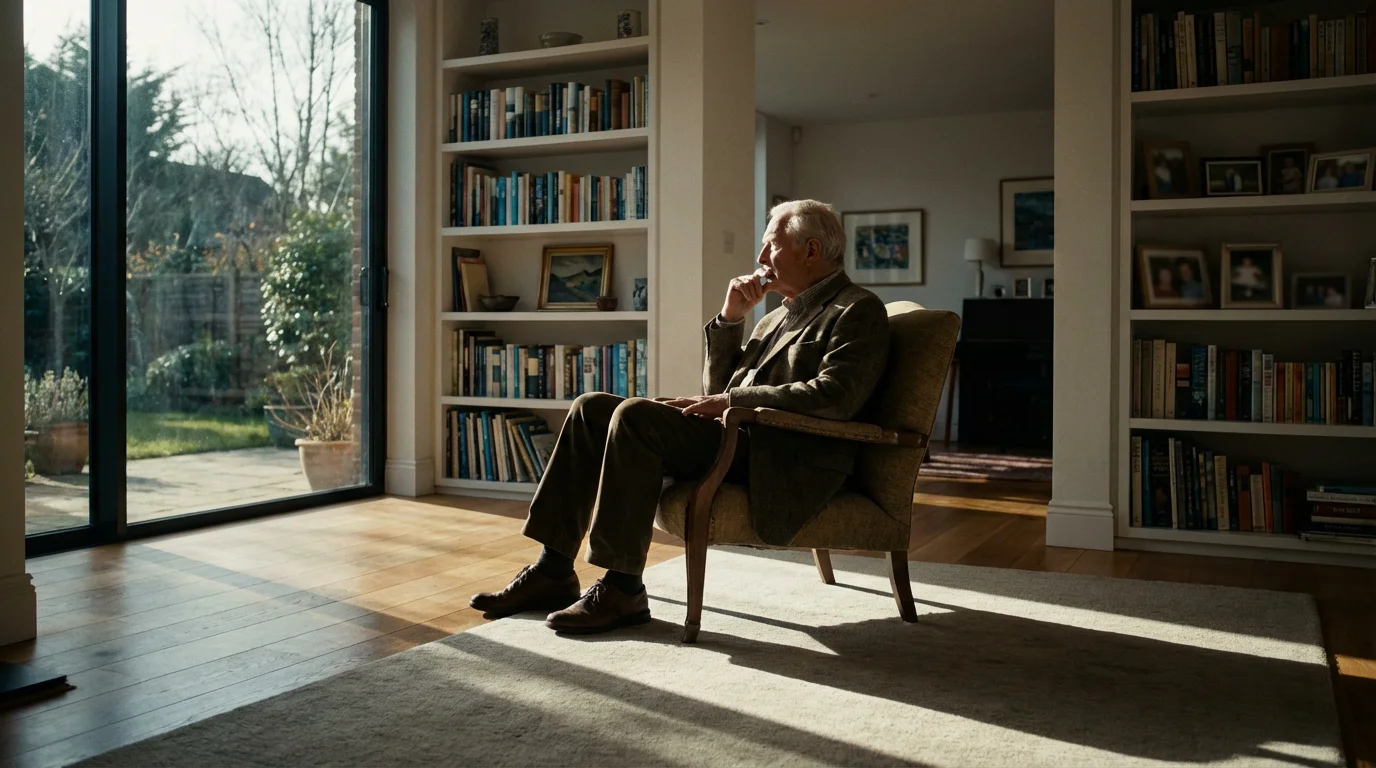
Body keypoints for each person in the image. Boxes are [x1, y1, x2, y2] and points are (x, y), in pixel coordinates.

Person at [469, 199, 891, 635]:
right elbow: (716, 391)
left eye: (771, 246)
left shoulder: (857, 310)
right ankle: (553, 570)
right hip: (738, 438)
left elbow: (836, 396)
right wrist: (730, 320)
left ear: (812, 250)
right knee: (591, 408)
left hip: (785, 452)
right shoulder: (777, 316)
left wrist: (731, 403)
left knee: (635, 416)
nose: (761, 259)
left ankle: (623, 588)